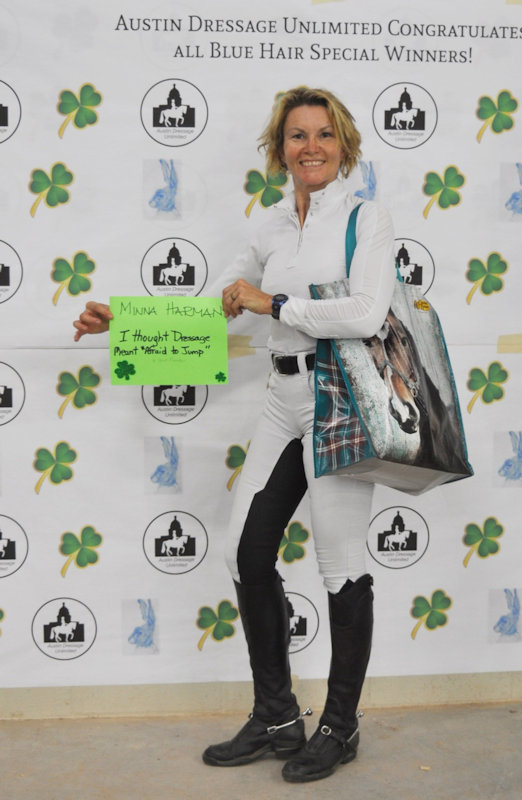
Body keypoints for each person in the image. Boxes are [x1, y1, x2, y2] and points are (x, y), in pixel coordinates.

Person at [73, 86, 395, 783]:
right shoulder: (270, 226)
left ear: (344, 145)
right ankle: (277, 717)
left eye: (323, 134)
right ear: (278, 149)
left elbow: (368, 313)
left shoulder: (366, 217)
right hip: (283, 399)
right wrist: (125, 323)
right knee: (245, 552)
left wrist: (274, 302)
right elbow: (214, 309)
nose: (310, 147)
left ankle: (340, 726)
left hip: (339, 403)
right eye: (296, 135)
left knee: (341, 566)